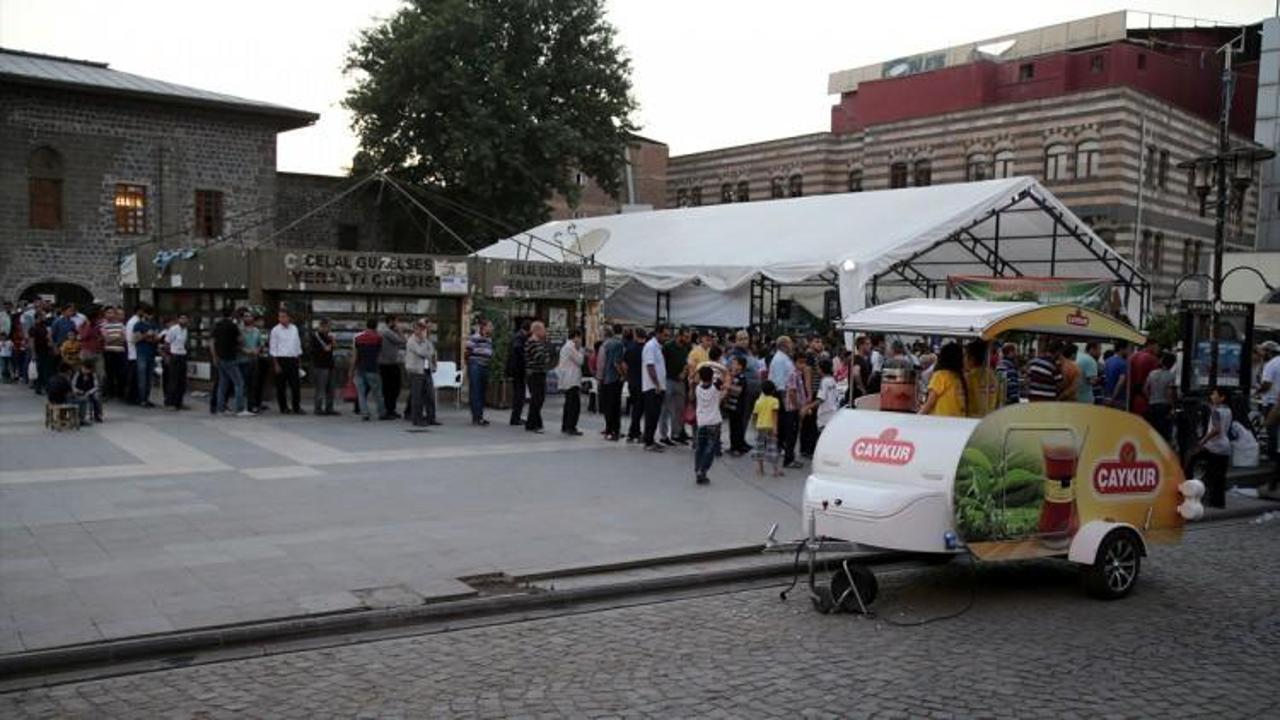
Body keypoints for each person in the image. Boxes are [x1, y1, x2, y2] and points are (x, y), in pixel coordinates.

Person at [1196, 386, 1233, 509]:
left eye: (1214, 394)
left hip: (1214, 447)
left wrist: (1203, 441)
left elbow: (1216, 429)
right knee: (1220, 477)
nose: (1212, 396)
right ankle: (1219, 503)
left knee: (1211, 474)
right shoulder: (1228, 410)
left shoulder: (1216, 412)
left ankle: (1210, 501)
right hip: (1225, 446)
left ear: (1222, 398)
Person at [211, 307, 250, 416]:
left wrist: (214, 356)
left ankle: (220, 408)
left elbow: (212, 342)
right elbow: (241, 340)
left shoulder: (217, 325)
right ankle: (239, 409)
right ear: (232, 315)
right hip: (230, 357)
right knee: (239, 383)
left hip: (220, 357)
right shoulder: (233, 326)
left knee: (222, 384)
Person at [693, 365, 727, 485]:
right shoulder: (715, 387)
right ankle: (703, 470)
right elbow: (725, 374)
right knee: (710, 448)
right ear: (712, 376)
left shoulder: (697, 388)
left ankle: (697, 469)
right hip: (714, 421)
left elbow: (695, 377)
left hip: (701, 421)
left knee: (700, 447)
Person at [769, 336, 799, 466]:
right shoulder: (780, 359)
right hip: (784, 395)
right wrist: (787, 403)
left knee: (784, 427)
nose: (792, 345)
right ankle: (788, 457)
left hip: (784, 395)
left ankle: (782, 451)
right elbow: (780, 383)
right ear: (784, 345)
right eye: (790, 343)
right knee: (789, 427)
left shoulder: (783, 358)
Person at [661, 328, 693, 446]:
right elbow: (661, 363)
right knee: (665, 409)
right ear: (679, 336)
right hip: (668, 380)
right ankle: (664, 436)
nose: (687, 339)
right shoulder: (668, 347)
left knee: (679, 410)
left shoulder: (687, 348)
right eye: (685, 337)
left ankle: (676, 434)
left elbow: (687, 362)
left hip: (680, 382)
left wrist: (684, 372)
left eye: (688, 337)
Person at [269, 310, 304, 414]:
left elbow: (297, 345)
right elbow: (273, 348)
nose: (281, 319)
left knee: (295, 385)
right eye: (280, 317)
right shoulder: (275, 330)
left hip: (293, 359)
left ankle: (296, 407)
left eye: (284, 317)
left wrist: (299, 362)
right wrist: (276, 364)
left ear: (289, 318)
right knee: (281, 386)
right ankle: (283, 407)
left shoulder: (294, 328)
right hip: (281, 359)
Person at [919, 342, 967, 417]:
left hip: (942, 422)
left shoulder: (941, 375)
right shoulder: (959, 377)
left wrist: (916, 417)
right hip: (958, 421)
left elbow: (930, 403)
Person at [641, 324, 669, 451]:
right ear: (657, 333)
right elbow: (650, 366)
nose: (666, 337)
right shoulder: (650, 346)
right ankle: (648, 442)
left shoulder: (658, 347)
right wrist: (657, 384)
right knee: (651, 415)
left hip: (659, 387)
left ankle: (651, 439)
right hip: (652, 387)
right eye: (665, 335)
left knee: (655, 415)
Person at [352, 318, 386, 421]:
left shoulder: (358, 338)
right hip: (373, 368)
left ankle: (365, 414)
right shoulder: (378, 338)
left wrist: (351, 370)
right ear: (376, 326)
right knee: (377, 393)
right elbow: (380, 353)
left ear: (366, 326)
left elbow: (355, 356)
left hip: (360, 368)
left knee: (361, 394)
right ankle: (381, 413)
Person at [405, 319, 434, 429]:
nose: (422, 332)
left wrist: (427, 348)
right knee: (417, 396)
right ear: (415, 330)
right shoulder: (412, 341)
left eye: (423, 329)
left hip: (426, 370)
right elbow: (422, 352)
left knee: (429, 395)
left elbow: (432, 351)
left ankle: (431, 418)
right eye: (419, 329)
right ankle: (416, 419)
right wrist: (427, 349)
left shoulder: (426, 340)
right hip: (416, 370)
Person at [598, 324, 625, 441]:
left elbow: (601, 363)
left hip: (606, 378)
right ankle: (615, 430)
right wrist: (623, 375)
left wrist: (600, 377)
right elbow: (617, 362)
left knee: (608, 406)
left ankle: (609, 429)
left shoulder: (604, 345)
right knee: (615, 406)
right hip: (614, 379)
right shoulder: (618, 344)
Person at [523, 321, 551, 433]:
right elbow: (541, 358)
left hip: (539, 372)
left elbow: (546, 357)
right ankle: (533, 424)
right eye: (543, 329)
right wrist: (546, 354)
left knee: (539, 398)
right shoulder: (533, 342)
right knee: (537, 399)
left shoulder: (539, 342)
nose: (545, 332)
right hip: (535, 373)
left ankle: (535, 422)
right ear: (537, 330)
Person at [464, 320, 494, 426]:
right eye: (490, 326)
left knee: (482, 391)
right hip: (476, 365)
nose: (492, 328)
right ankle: (476, 417)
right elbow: (467, 352)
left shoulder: (489, 339)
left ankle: (480, 415)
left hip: (485, 366)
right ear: (484, 327)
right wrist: (471, 364)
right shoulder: (475, 337)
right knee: (476, 391)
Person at [1144, 352, 1177, 443]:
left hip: (1152, 405)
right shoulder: (1171, 376)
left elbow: (1145, 389)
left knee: (1154, 430)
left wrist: (1150, 398)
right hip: (1164, 406)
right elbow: (1170, 393)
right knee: (1164, 432)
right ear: (1172, 364)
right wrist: (1173, 407)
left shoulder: (1152, 373)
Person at [1257, 340, 1280, 471]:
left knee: (1272, 430)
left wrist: (1257, 392)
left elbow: (1267, 384)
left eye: (1263, 351)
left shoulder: (1271, 364)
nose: (1261, 353)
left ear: (1269, 352)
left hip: (1272, 402)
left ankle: (1273, 457)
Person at [557, 328, 585, 436]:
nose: (581, 340)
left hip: (569, 379)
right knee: (574, 405)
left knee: (569, 404)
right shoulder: (571, 347)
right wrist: (580, 350)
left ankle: (566, 426)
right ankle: (571, 426)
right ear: (576, 337)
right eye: (580, 337)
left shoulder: (567, 346)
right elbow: (580, 361)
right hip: (571, 380)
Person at [378, 315, 406, 419]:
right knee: (391, 388)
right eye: (397, 321)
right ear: (391, 322)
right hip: (388, 364)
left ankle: (391, 409)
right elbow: (403, 341)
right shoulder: (387, 332)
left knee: (393, 387)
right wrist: (399, 331)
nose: (398, 324)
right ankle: (388, 410)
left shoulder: (387, 332)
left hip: (390, 363)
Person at [752, 380, 782, 477]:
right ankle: (775, 470)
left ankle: (760, 469)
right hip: (770, 427)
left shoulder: (758, 402)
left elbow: (755, 415)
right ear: (773, 391)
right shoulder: (775, 401)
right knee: (772, 448)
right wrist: (775, 428)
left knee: (759, 447)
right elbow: (775, 415)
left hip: (760, 426)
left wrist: (754, 425)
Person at [964, 339, 1000, 417]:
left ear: (972, 359)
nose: (964, 359)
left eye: (965, 356)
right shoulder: (993, 376)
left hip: (971, 420)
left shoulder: (969, 378)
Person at [161, 314, 189, 410]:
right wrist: (167, 355)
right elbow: (167, 343)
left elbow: (184, 343)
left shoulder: (185, 330)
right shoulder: (173, 329)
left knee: (182, 380)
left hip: (182, 355)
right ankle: (170, 402)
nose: (183, 320)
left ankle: (179, 402)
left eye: (185, 318)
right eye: (182, 318)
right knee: (173, 380)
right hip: (174, 355)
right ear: (178, 319)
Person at [132, 307, 159, 407]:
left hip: (151, 352)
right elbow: (136, 339)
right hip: (142, 353)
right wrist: (146, 335)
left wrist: (152, 337)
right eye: (149, 315)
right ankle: (142, 399)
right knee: (142, 377)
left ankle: (147, 398)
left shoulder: (153, 324)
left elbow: (156, 338)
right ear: (145, 315)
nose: (150, 317)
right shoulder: (138, 325)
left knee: (149, 378)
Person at [310, 318, 338, 416]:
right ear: (322, 326)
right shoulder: (315, 336)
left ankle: (329, 408)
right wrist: (328, 347)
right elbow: (323, 349)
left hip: (330, 364)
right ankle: (318, 408)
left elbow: (334, 347)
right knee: (320, 388)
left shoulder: (328, 336)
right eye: (328, 327)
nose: (329, 329)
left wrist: (333, 341)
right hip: (320, 365)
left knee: (331, 388)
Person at [239, 312, 266, 413]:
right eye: (245, 316)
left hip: (254, 360)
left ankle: (251, 406)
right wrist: (246, 351)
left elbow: (261, 344)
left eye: (249, 316)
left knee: (253, 384)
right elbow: (237, 345)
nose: (248, 318)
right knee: (242, 384)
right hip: (242, 360)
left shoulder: (256, 331)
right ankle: (241, 406)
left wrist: (257, 350)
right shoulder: (240, 331)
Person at [1128, 338, 1161, 418]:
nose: (1158, 349)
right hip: (1146, 399)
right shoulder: (1152, 359)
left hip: (1132, 397)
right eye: (1157, 347)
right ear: (1150, 345)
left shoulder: (1132, 357)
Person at [624, 328, 645, 443]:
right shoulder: (646, 348)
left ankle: (634, 432)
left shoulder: (630, 348)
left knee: (635, 408)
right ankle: (633, 432)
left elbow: (624, 364)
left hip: (632, 381)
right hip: (643, 382)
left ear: (636, 336)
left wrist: (627, 375)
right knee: (639, 409)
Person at [725, 355, 750, 455]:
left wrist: (728, 386)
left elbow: (738, 390)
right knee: (733, 427)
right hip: (732, 406)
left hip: (738, 407)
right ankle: (733, 446)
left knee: (736, 428)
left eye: (734, 364)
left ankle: (737, 448)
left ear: (740, 366)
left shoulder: (741, 377)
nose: (732, 365)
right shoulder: (734, 376)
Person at [100, 307, 126, 399]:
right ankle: (109, 393)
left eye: (112, 313)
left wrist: (113, 339)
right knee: (109, 373)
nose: (110, 314)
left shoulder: (121, 325)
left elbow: (123, 339)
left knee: (121, 373)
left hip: (120, 352)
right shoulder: (103, 325)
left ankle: (120, 393)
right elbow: (106, 339)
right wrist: (117, 337)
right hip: (109, 352)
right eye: (108, 312)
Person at [507, 321, 529, 426]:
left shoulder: (517, 336)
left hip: (516, 369)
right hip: (518, 370)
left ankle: (516, 417)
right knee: (519, 395)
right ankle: (515, 418)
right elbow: (518, 349)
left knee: (519, 394)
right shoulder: (520, 338)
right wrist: (525, 357)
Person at [1103, 340, 1131, 409]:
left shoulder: (1108, 361)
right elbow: (1121, 381)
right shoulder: (1124, 363)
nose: (1129, 351)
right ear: (1122, 349)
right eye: (1128, 348)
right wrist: (1113, 397)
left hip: (1106, 396)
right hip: (1119, 399)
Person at [815, 358, 841, 433]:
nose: (817, 370)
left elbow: (821, 399)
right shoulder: (832, 380)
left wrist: (807, 407)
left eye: (818, 368)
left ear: (821, 369)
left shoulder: (824, 381)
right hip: (833, 414)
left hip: (825, 416)